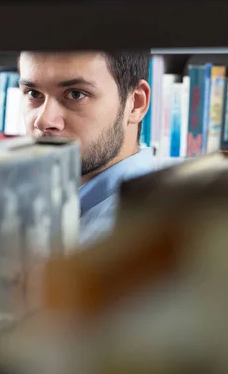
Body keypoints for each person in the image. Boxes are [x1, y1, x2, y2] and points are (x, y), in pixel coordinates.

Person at [18, 50, 156, 247]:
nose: (43, 120)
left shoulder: (152, 237)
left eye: (75, 94)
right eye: (34, 94)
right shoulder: (27, 203)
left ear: (136, 104)